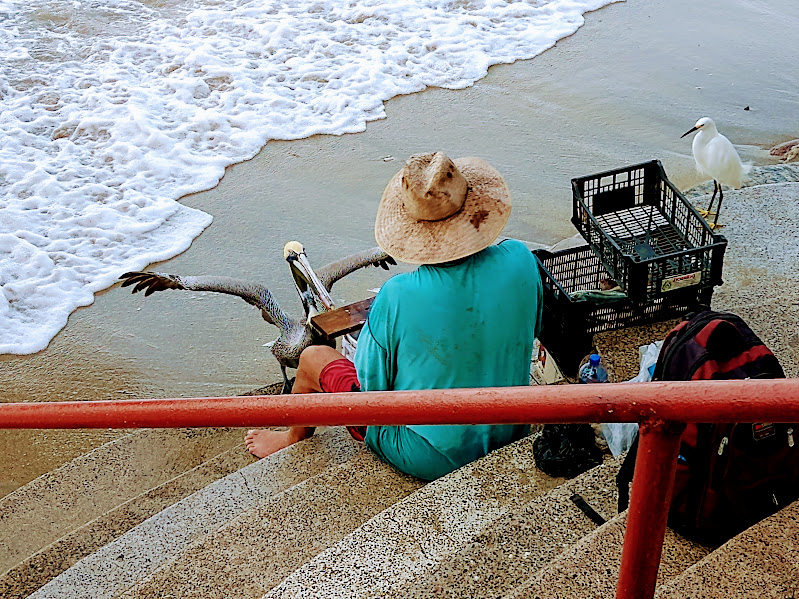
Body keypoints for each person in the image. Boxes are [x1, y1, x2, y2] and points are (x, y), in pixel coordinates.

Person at [245, 151, 543, 480]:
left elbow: (372, 394)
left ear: (412, 228)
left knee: (312, 357)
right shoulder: (521, 258)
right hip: (512, 428)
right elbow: (530, 329)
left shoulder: (398, 295)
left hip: (432, 456)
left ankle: (291, 438)